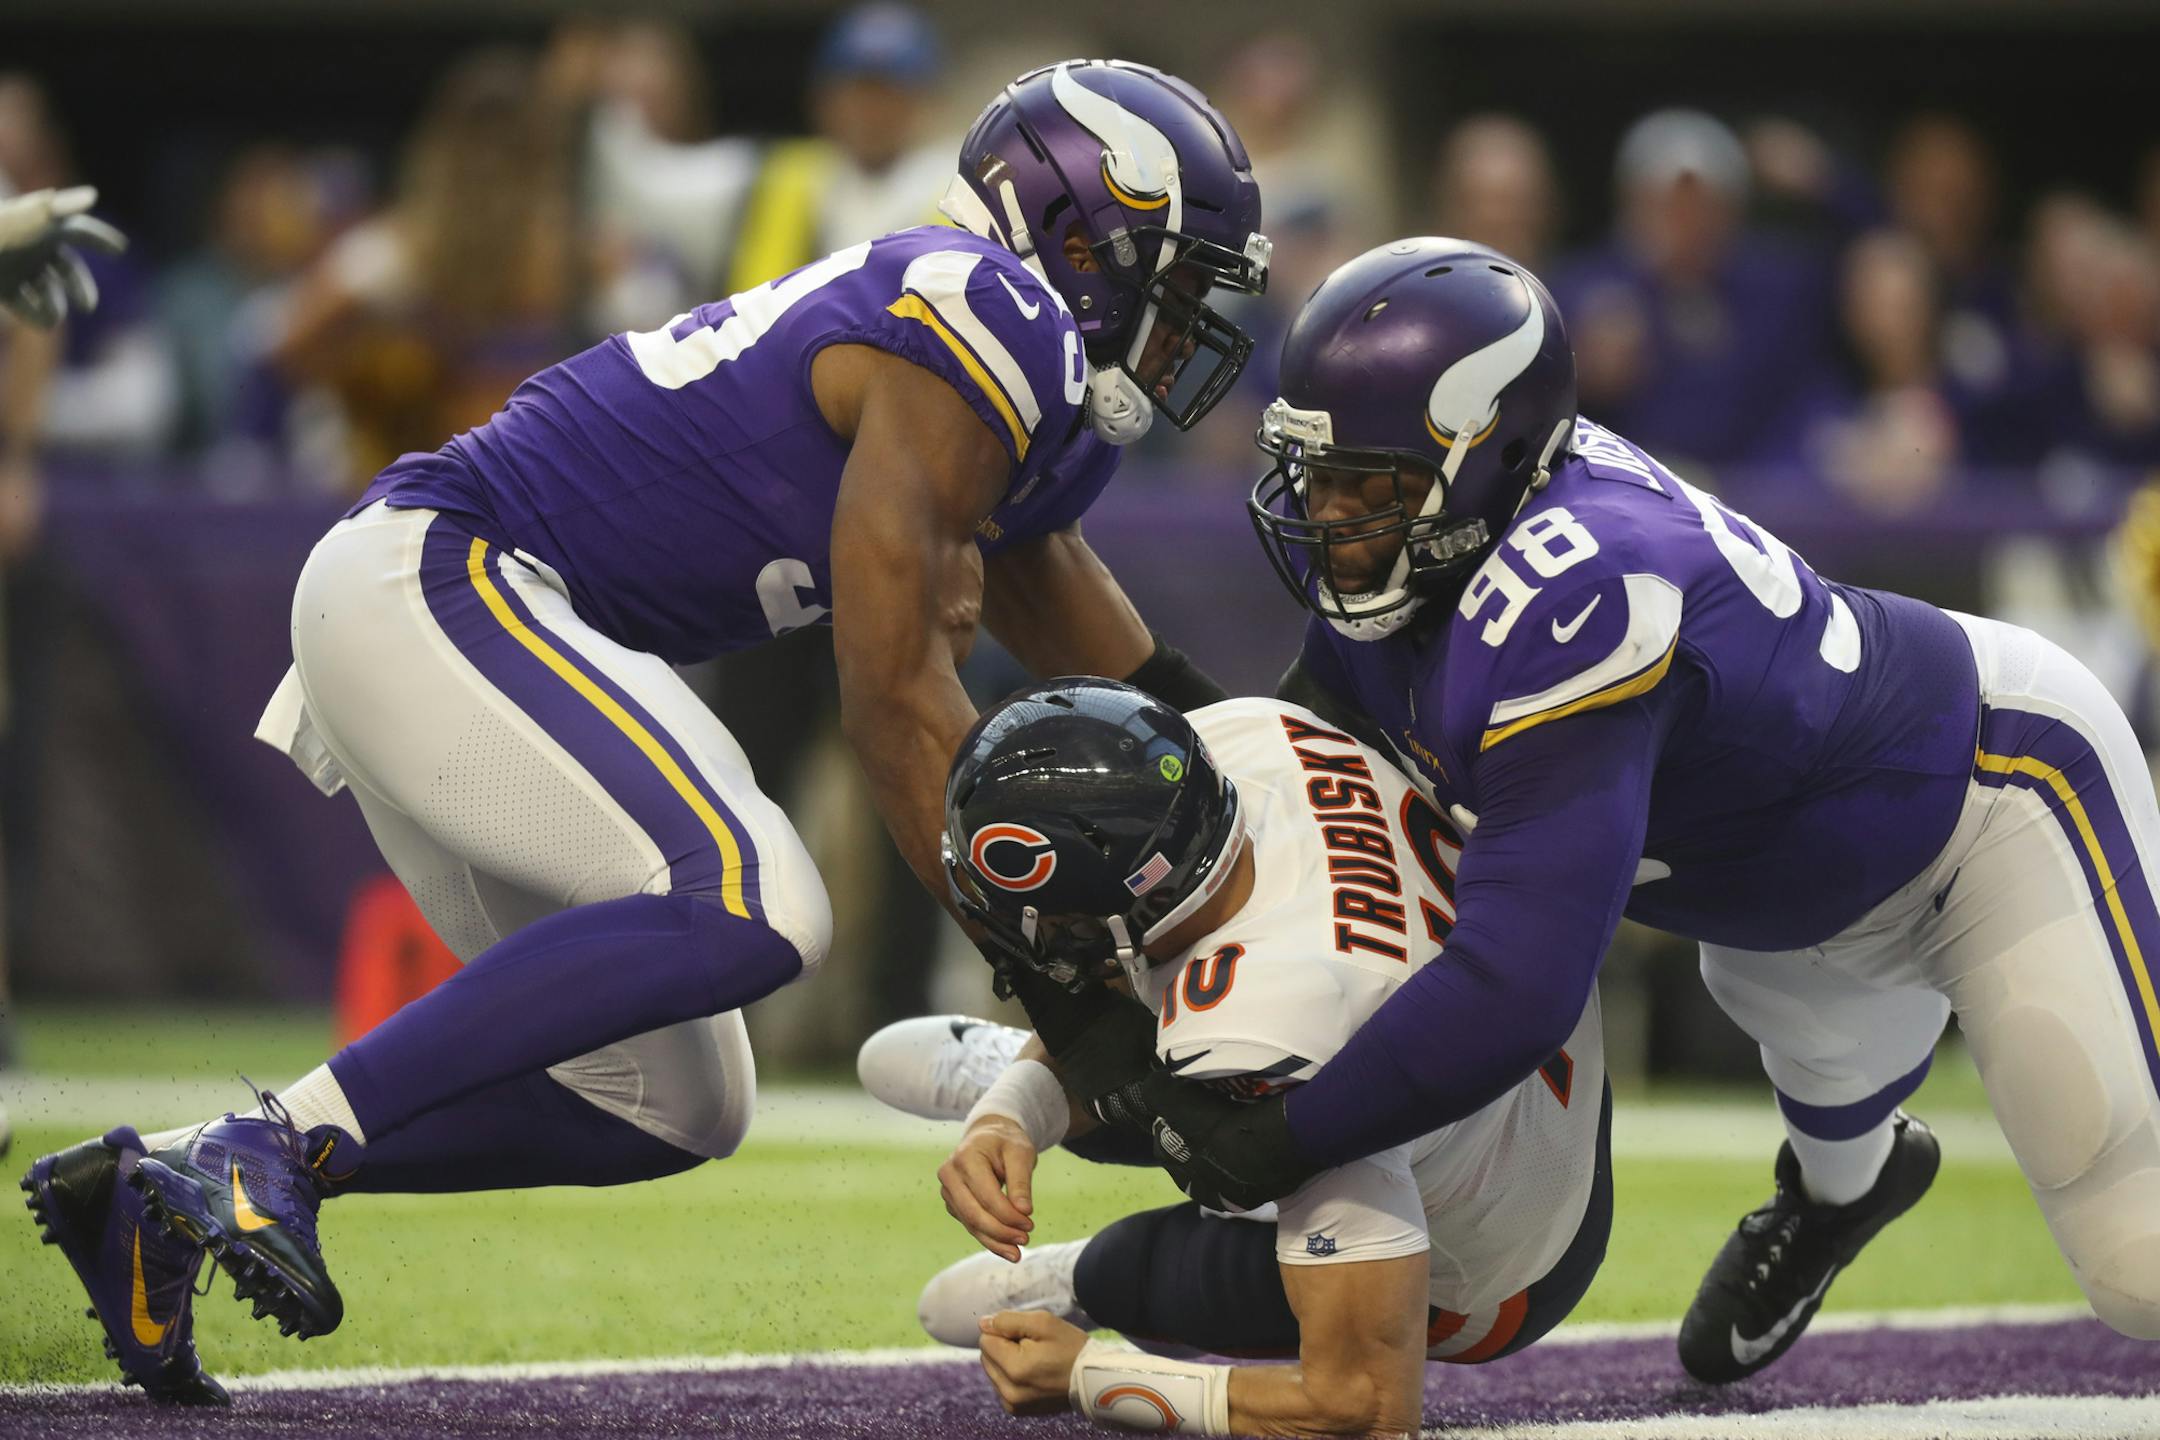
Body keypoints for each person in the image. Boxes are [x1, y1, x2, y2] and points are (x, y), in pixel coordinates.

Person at [19, 59, 1271, 1403]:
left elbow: (1079, 614)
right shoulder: (997, 316)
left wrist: (1277, 770)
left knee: (676, 1106)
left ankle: (164, 1185)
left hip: (447, 619)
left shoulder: (1026, 379)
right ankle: (278, 1149)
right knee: (756, 900)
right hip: (447, 575)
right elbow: (897, 695)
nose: (1196, 316)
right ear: (1081, 235)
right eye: (1183, 272)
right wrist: (1062, 998)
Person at [1057, 235, 2160, 1386]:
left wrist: (1280, 1136)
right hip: (1779, 906)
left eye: (1366, 485)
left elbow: (1515, 985)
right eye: (1315, 473)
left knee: (2139, 1271)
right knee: (1802, 1036)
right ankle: (1844, 1194)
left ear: (1483, 460)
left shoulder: (1582, 594)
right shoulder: (1437, 545)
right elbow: (1310, 769)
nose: (1330, 514)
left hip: (1990, 806)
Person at [863, 679, 1609, 1438]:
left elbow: (1368, 1408)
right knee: (1179, 1058)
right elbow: (1141, 965)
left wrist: (1092, 1377)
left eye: (1057, 922)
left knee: (1163, 1227)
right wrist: (1018, 1108)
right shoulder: (1250, 738)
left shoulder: (1273, 1026)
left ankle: (1079, 1276)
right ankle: (1024, 1081)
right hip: (1541, 1084)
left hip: (1497, 1266)